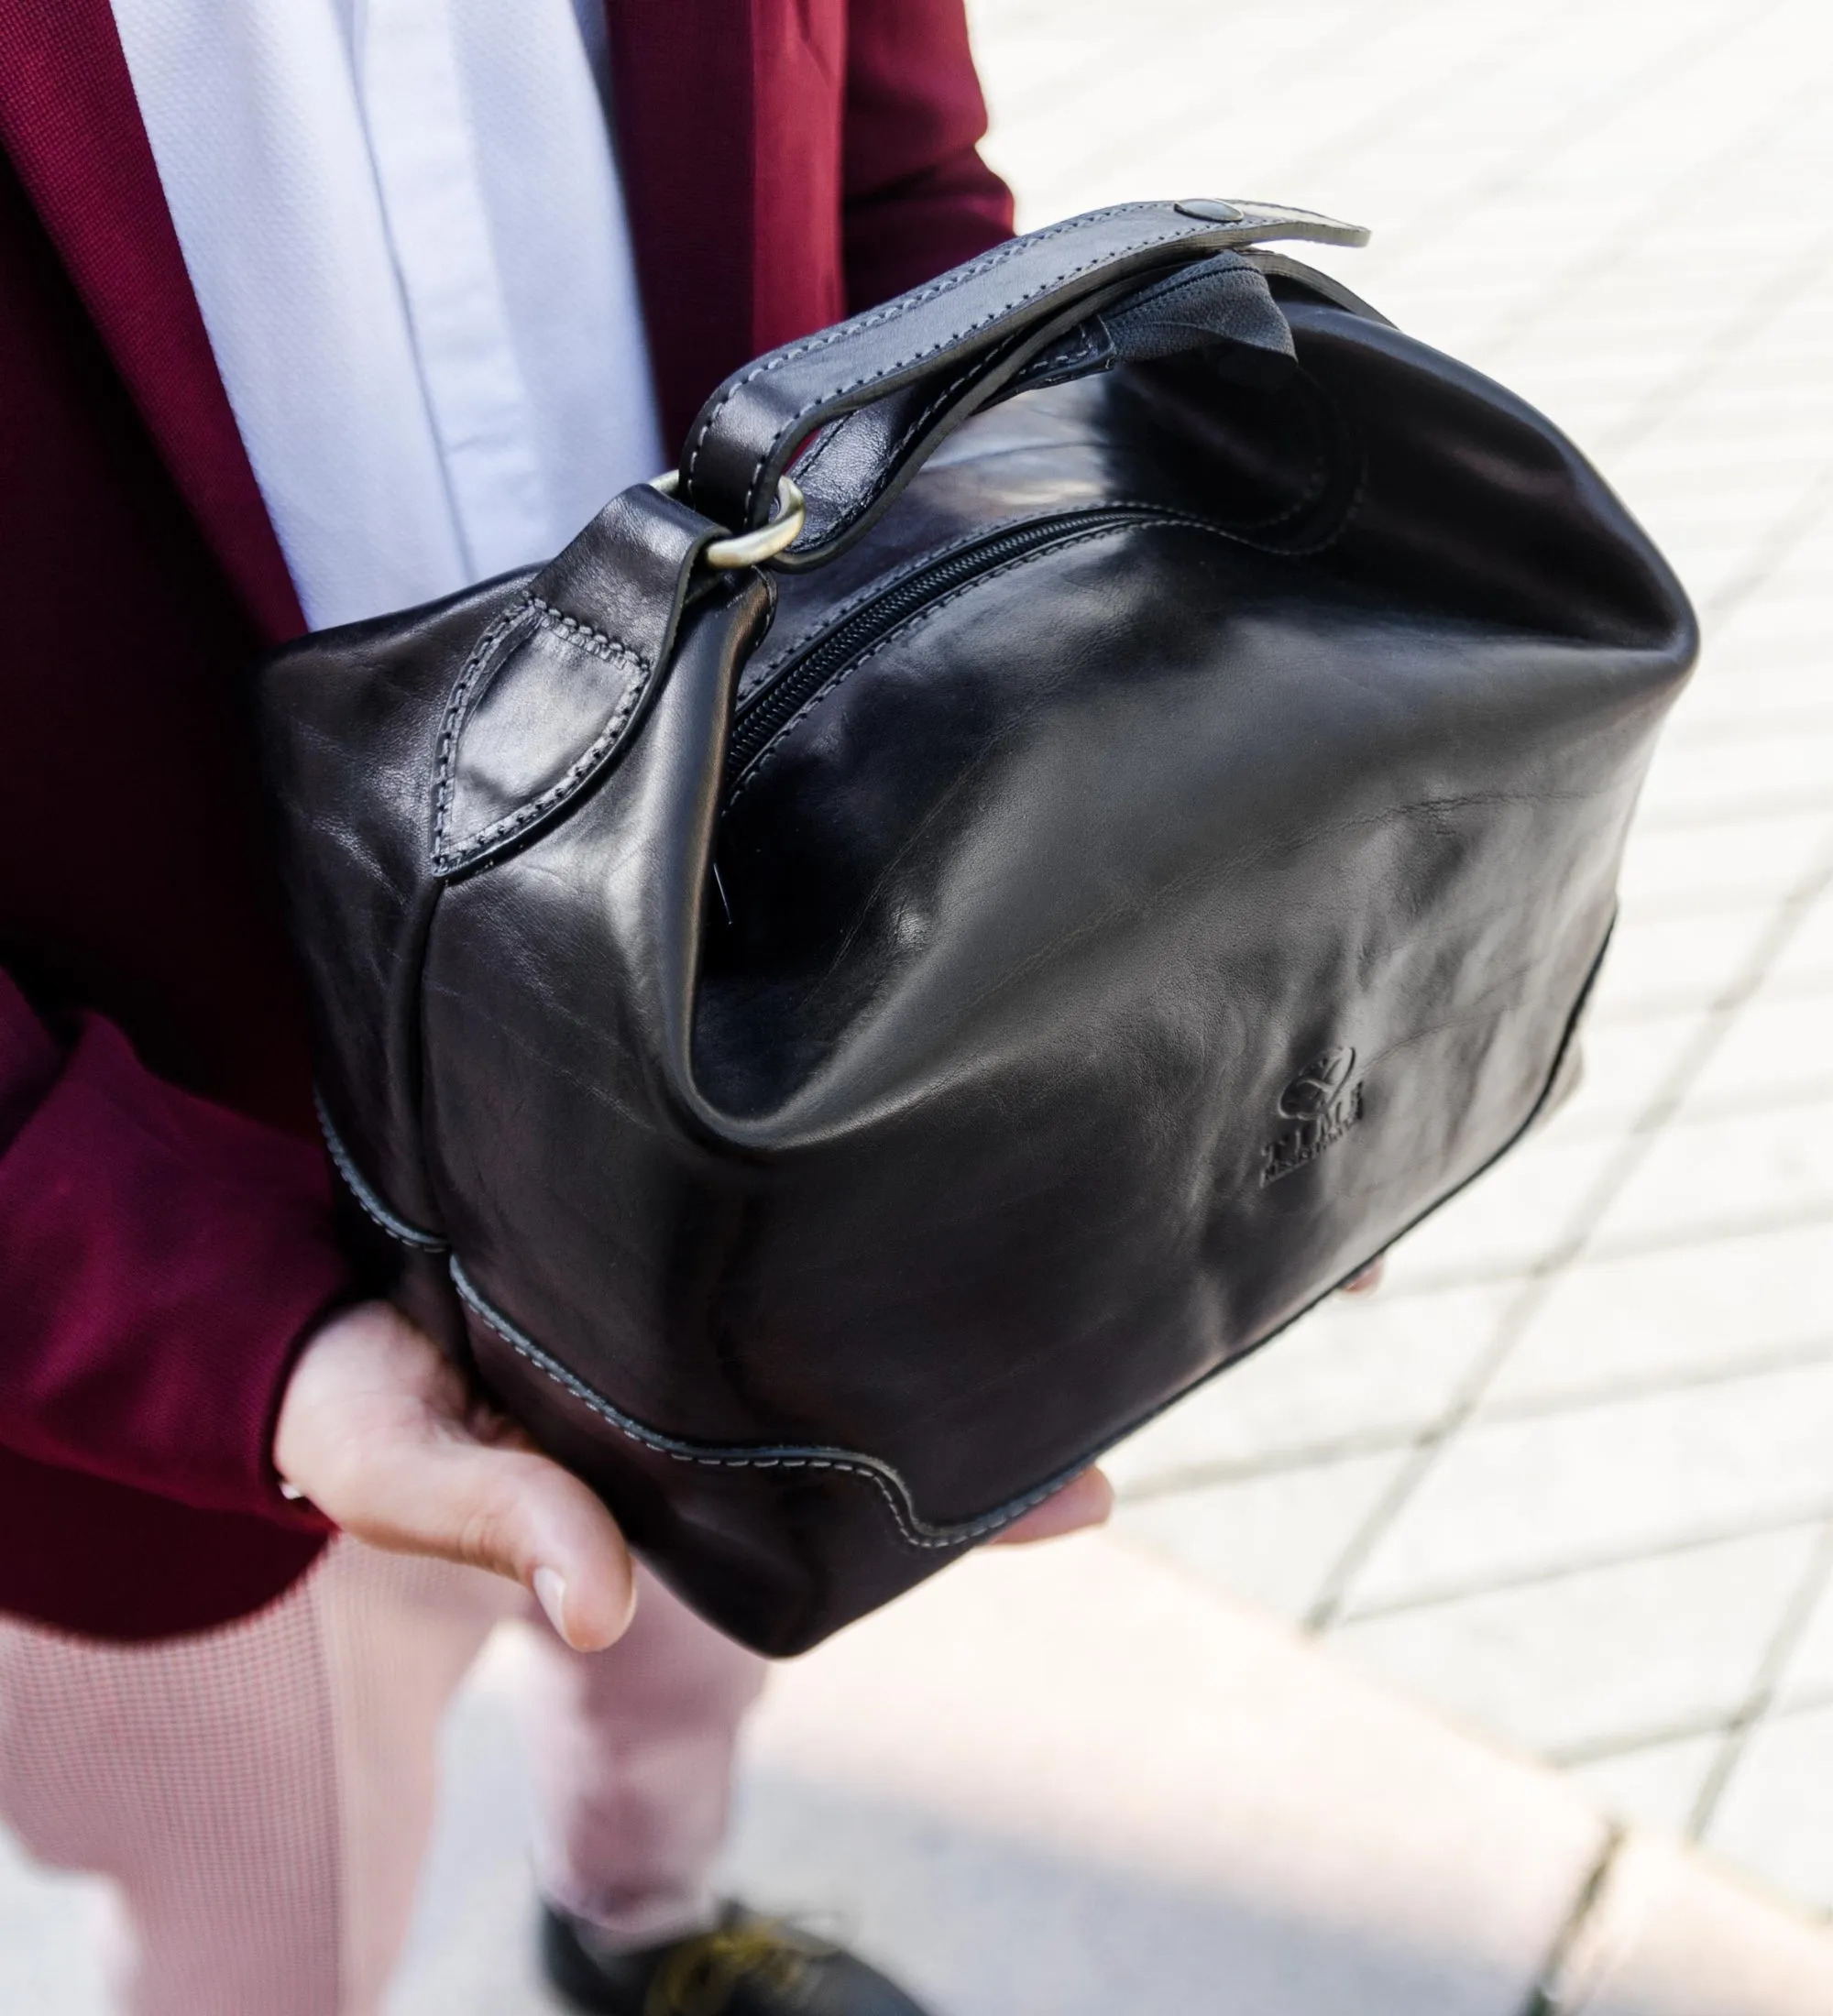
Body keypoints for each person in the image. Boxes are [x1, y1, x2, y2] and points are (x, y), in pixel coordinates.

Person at [0, 4, 1113, 2011]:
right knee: (264, 1930)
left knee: (689, 1661)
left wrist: (1102, 881)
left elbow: (897, 207)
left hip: (734, 1087)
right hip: (140, 1261)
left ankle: (637, 1927)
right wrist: (213, 1335)